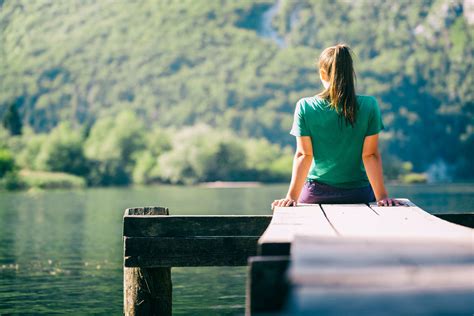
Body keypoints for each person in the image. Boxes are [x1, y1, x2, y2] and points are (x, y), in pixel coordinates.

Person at [272, 44, 404, 210]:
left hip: (315, 194)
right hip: (359, 194)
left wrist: (291, 197)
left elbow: (304, 155)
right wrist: (382, 197)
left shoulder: (305, 106)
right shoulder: (370, 105)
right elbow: (370, 155)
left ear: (322, 73)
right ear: (350, 74)